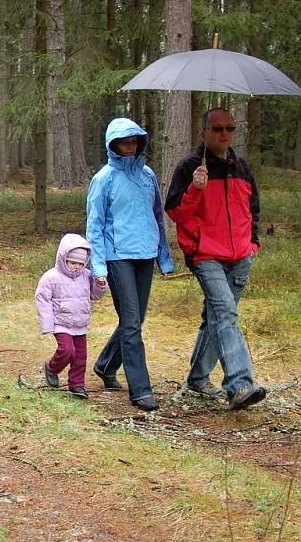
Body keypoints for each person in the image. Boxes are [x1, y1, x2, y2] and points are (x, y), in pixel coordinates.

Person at [165, 107, 266, 411]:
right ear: (204, 133)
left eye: (229, 128)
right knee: (226, 315)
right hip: (206, 256)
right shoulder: (189, 168)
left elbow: (254, 209)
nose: (224, 134)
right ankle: (239, 385)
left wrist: (253, 244)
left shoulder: (241, 166)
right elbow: (175, 212)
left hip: (239, 257)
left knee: (216, 318)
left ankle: (197, 377)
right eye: (217, 128)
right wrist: (196, 189)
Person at [86, 117, 174, 411]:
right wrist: (98, 267)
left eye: (134, 140)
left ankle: (105, 364)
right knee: (133, 322)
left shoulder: (148, 175)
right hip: (117, 256)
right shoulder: (103, 179)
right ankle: (141, 388)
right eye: (124, 141)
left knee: (134, 320)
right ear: (113, 145)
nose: (130, 146)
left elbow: (157, 217)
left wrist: (164, 257)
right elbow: (94, 226)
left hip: (145, 254)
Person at [35, 233, 108, 399]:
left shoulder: (87, 276)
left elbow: (95, 295)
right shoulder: (51, 277)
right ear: (63, 258)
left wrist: (100, 284)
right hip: (61, 322)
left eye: (80, 263)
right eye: (73, 262)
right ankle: (52, 368)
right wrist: (48, 325)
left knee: (80, 356)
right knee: (67, 350)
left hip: (80, 323)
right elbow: (43, 300)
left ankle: (77, 385)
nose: (76, 266)